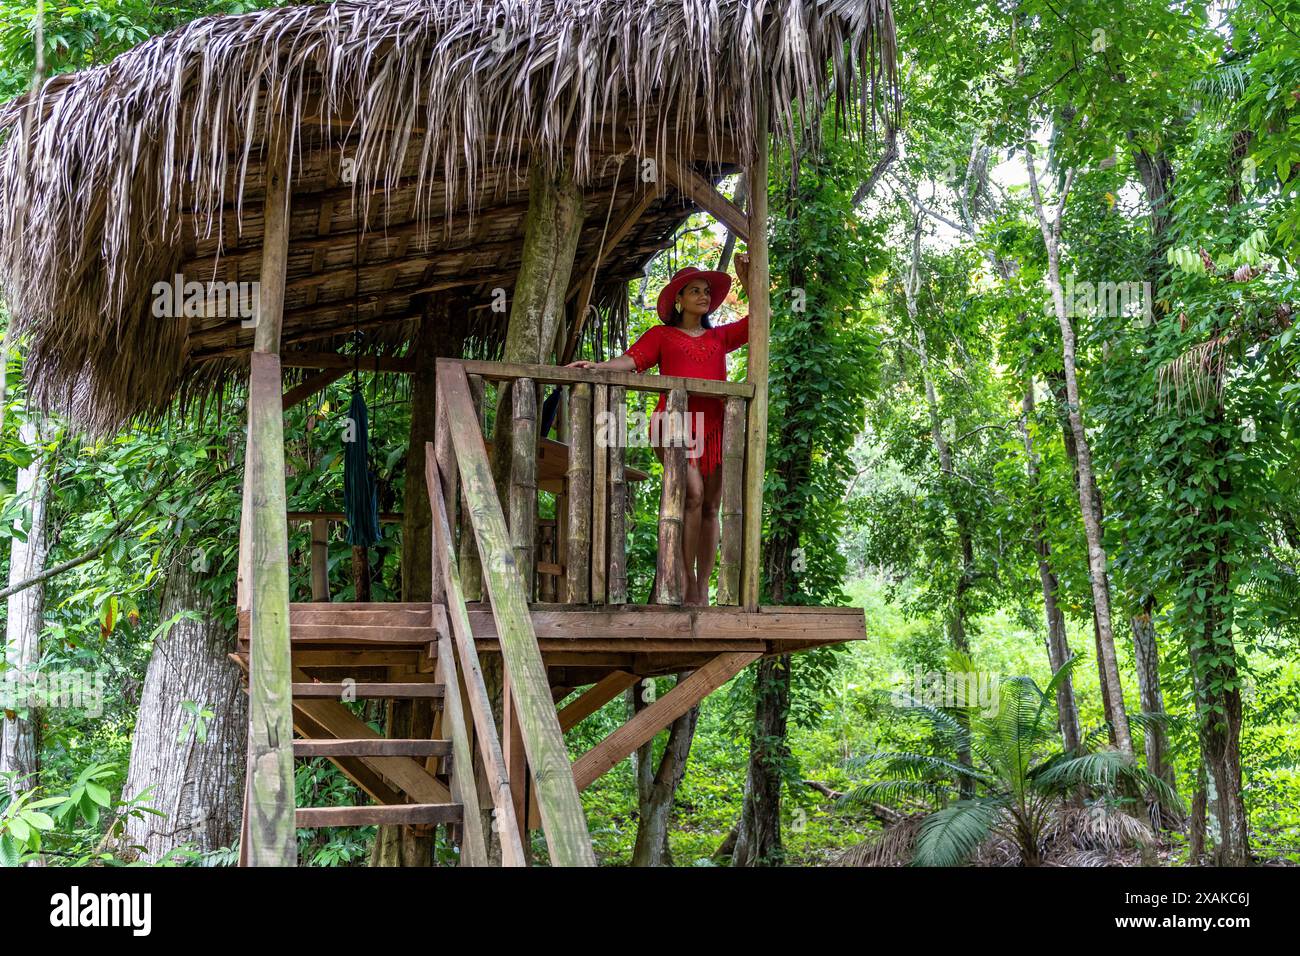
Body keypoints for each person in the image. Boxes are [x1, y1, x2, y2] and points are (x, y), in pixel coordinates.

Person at [567, 253, 752, 605]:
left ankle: (701, 585)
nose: (703, 296)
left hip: (715, 428)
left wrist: (749, 281)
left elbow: (761, 322)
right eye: (694, 290)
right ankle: (682, 575)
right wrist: (597, 365)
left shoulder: (720, 338)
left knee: (712, 506)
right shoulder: (661, 335)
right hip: (675, 423)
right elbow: (632, 361)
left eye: (706, 291)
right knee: (693, 494)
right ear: (678, 300)